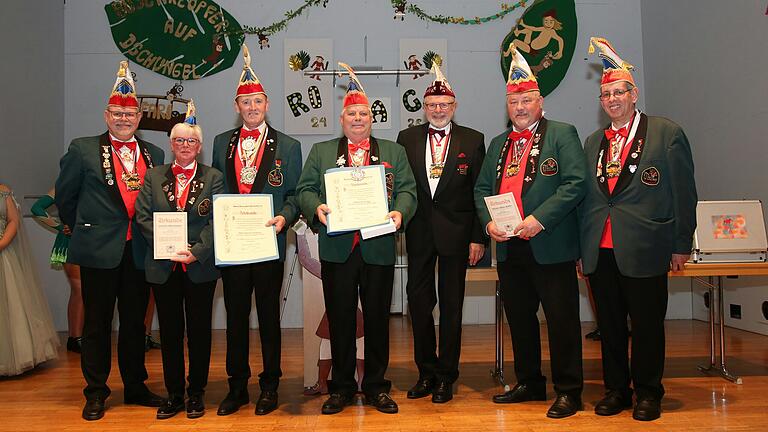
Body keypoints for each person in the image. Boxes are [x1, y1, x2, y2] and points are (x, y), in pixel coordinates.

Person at [581, 37, 697, 422]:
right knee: (610, 326)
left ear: (634, 94)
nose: (612, 99)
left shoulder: (666, 133)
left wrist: (682, 243)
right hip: (602, 248)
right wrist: (584, 249)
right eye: (606, 94)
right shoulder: (593, 141)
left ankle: (649, 392)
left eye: (619, 92)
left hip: (647, 247)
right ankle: (617, 389)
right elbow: (589, 200)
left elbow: (684, 192)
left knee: (647, 325)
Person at [296, 63, 417, 415]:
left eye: (364, 113)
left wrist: (400, 213)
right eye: (352, 113)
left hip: (378, 247)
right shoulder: (321, 152)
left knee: (379, 318)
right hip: (338, 248)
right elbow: (304, 189)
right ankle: (342, 387)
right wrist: (315, 205)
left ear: (372, 118)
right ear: (342, 119)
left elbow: (408, 191)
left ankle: (377, 386)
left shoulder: (392, 152)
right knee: (340, 318)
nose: (358, 118)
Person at [474, 47, 587, 419]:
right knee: (520, 319)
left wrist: (540, 218)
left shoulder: (562, 134)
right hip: (509, 247)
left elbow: (575, 183)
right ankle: (530, 382)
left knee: (561, 319)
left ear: (540, 101)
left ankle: (569, 389)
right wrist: (488, 223)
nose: (520, 107)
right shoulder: (498, 144)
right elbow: (480, 191)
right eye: (514, 101)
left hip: (549, 243)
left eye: (526, 100)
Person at [55, 61, 165, 420]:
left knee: (136, 323)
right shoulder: (83, 149)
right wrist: (85, 228)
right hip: (99, 250)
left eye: (129, 114)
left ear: (139, 117)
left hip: (139, 250)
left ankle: (134, 386)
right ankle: (96, 391)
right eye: (117, 113)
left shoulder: (154, 154)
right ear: (106, 115)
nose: (123, 119)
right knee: (97, 323)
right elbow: (66, 199)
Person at [211, 44, 303, 416]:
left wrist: (284, 217)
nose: (252, 109)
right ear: (237, 106)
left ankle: (270, 385)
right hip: (233, 245)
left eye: (258, 103)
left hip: (269, 240)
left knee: (268, 316)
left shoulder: (289, 145)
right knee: (235, 316)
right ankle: (237, 387)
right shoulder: (220, 143)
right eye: (245, 103)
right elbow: (214, 190)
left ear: (267, 105)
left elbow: (295, 195)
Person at [396, 62, 486, 403]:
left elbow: (481, 191)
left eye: (444, 105)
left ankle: (448, 375)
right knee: (419, 304)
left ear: (454, 106)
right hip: (418, 233)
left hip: (458, 235)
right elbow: (400, 185)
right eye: (432, 105)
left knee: (452, 306)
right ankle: (426, 372)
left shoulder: (473, 139)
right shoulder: (407, 139)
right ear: (424, 107)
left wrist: (478, 236)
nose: (438, 110)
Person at [135, 101, 224, 419]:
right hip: (163, 265)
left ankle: (196, 392)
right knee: (170, 332)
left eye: (191, 141)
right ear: (171, 144)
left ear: (199, 146)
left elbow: (216, 220)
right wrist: (167, 246)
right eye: (179, 140)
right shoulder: (153, 175)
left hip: (199, 265)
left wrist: (196, 250)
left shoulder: (213, 177)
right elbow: (143, 216)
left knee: (199, 331)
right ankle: (174, 393)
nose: (185, 145)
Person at [0, 183, 60, 376]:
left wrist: (1, 244)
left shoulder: (3, 191)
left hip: (3, 255)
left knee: (10, 304)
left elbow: (13, 221)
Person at [32, 189, 84, 353]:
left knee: (88, 291)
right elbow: (37, 208)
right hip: (70, 243)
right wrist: (60, 227)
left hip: (91, 241)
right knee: (80, 290)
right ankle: (75, 338)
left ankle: (80, 336)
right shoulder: (62, 184)